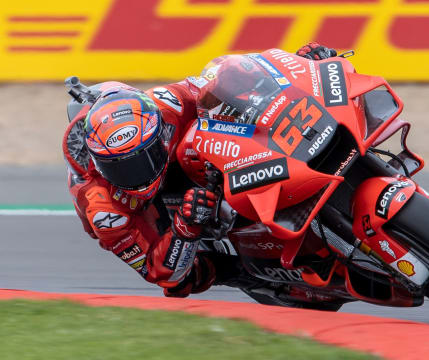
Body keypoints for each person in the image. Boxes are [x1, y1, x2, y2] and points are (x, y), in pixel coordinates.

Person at [62, 43, 337, 297]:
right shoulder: (104, 211)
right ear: (100, 164)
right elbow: (158, 272)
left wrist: (297, 68)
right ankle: (259, 278)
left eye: (145, 157)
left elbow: (222, 83)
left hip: (173, 146)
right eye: (124, 169)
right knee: (182, 282)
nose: (140, 174)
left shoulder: (166, 103)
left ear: (160, 132)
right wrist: (185, 226)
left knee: (212, 118)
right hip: (144, 211)